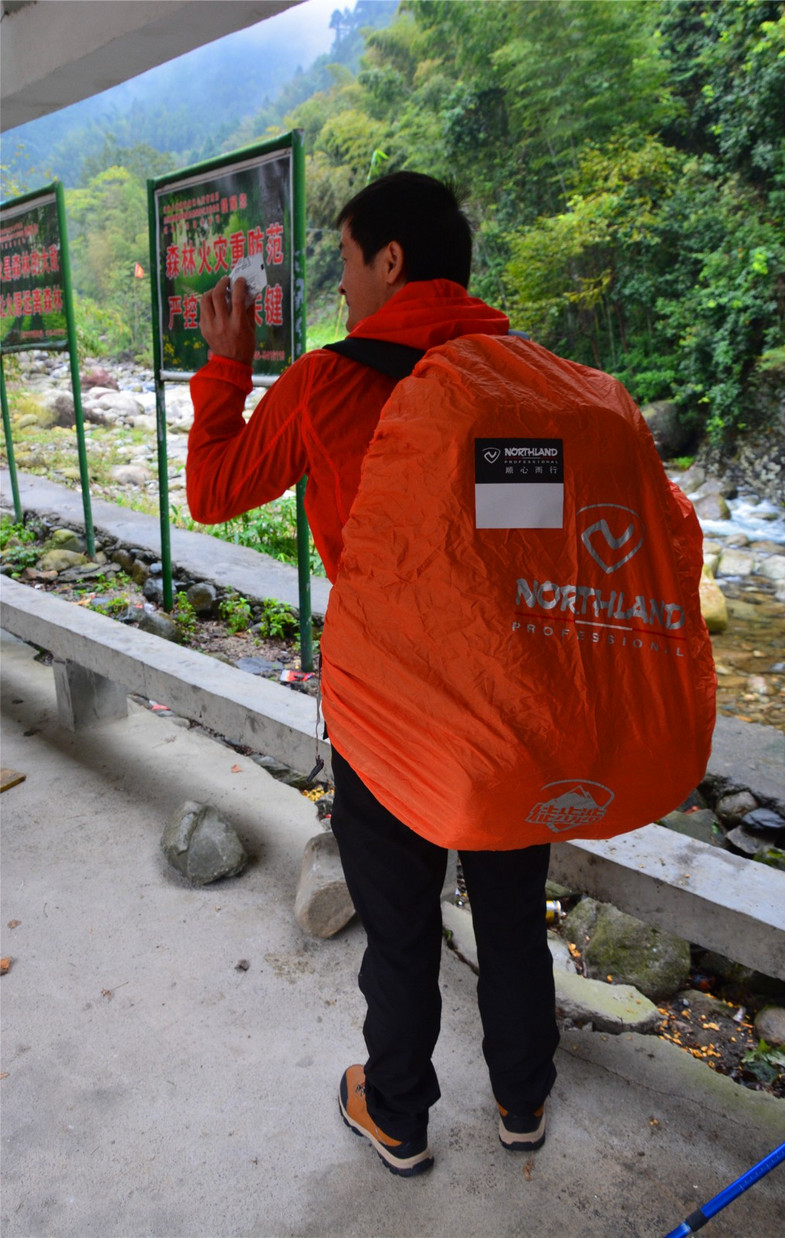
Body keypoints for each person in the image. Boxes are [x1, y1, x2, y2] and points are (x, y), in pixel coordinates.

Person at [188, 172, 559, 1179]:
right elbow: (526, 550)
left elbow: (215, 491)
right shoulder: (527, 379)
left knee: (400, 928)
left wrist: (230, 367)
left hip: (390, 715)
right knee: (511, 912)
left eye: (348, 262)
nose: (344, 286)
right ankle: (523, 1098)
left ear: (391, 260)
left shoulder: (331, 382)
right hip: (508, 709)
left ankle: (396, 1110)